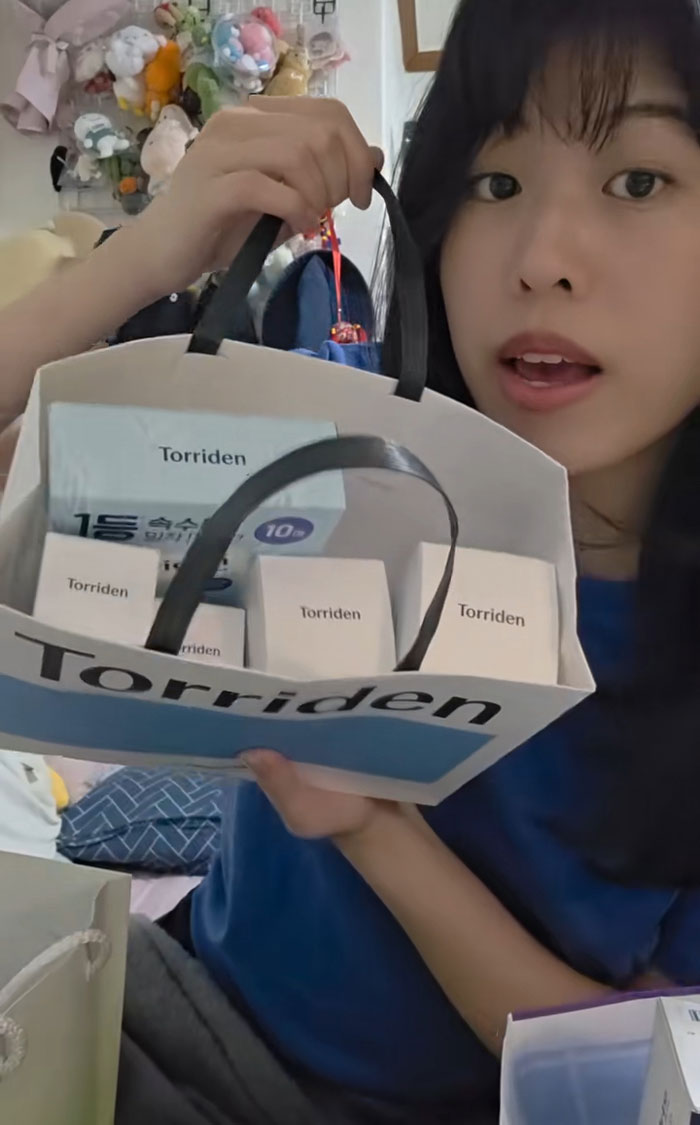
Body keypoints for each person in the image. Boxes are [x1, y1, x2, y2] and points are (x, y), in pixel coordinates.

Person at [4, 0, 700, 1120]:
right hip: (199, 1028)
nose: (542, 262)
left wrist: (375, 827)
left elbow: (639, 1071)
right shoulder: (351, 449)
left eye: (637, 180)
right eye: (494, 181)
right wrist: (145, 255)